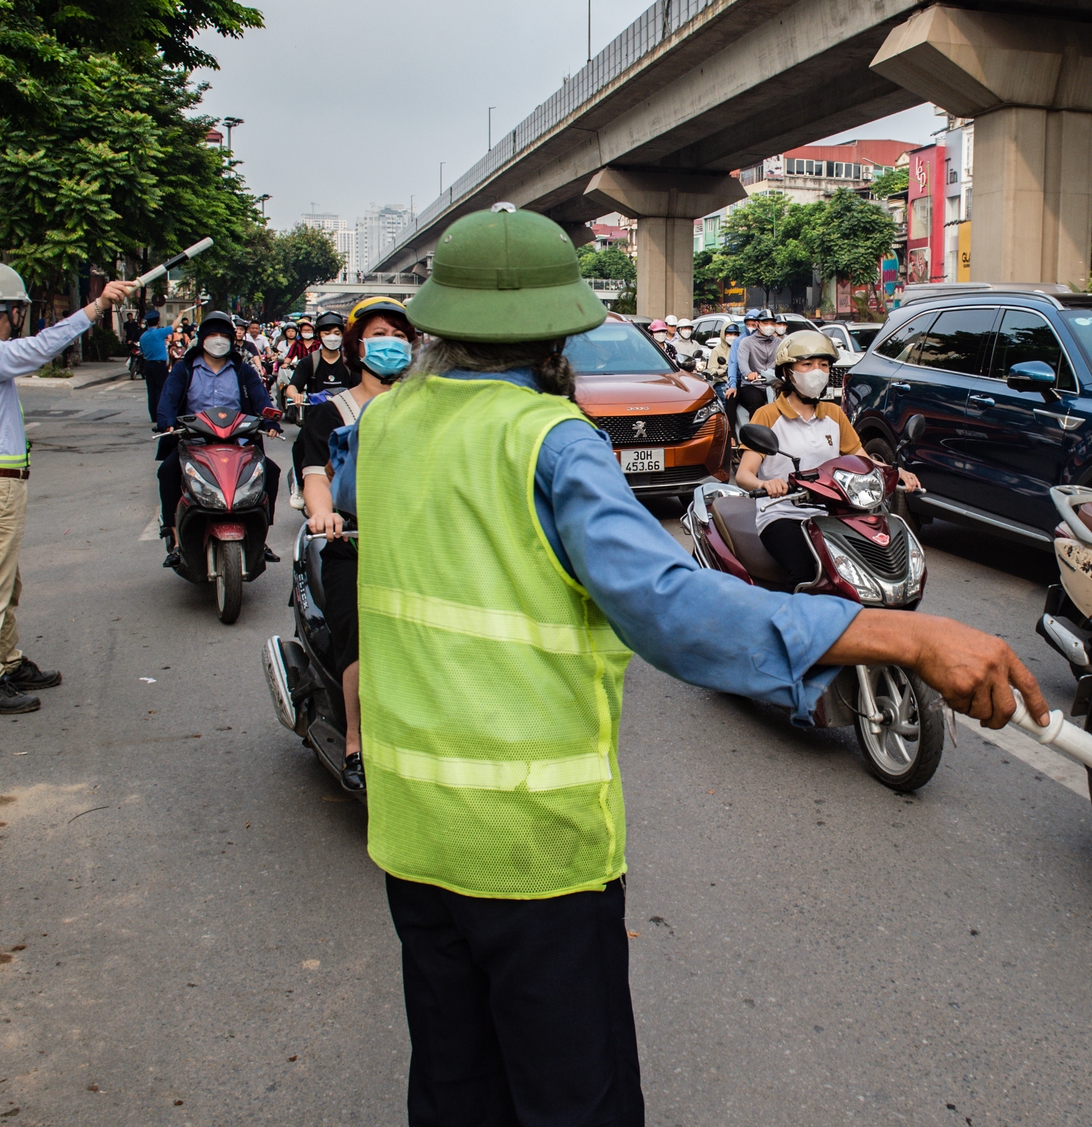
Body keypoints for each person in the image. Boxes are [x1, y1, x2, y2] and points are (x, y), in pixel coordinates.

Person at [350, 206, 1045, 1127]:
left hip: (414, 831)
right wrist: (903, 636)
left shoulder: (384, 426)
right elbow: (672, 608)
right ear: (561, 330)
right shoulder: (550, 440)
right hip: (532, 847)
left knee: (454, 1084)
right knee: (573, 1100)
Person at [0, 263, 136, 714]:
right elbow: (40, 348)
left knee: (4, 585)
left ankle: (8, 662)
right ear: (10, 311)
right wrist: (95, 307)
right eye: (20, 311)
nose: (23, 320)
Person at [296, 296, 415, 794]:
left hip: (419, 542)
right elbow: (314, 478)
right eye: (379, 335)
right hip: (356, 540)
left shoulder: (429, 409)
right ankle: (355, 743)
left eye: (399, 336)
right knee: (362, 634)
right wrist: (322, 511)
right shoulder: (332, 413)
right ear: (356, 345)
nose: (390, 344)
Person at [732, 330, 922, 585]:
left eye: (823, 365)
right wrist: (765, 485)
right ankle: (789, 622)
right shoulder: (767, 415)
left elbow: (862, 459)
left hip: (833, 512)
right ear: (788, 371)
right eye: (807, 364)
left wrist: (897, 473)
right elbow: (744, 476)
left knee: (864, 570)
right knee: (807, 571)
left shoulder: (833, 413)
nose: (817, 371)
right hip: (783, 514)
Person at [154, 310, 281, 565]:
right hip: (194, 441)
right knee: (168, 473)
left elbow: (261, 399)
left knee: (271, 472)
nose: (218, 340)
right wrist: (166, 422)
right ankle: (177, 541)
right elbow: (168, 399)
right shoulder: (185, 369)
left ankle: (260, 536)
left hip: (237, 441)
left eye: (224, 335)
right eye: (212, 334)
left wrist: (269, 421)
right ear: (202, 338)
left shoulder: (243, 370)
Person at [287, 310, 360, 409]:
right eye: (327, 333)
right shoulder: (308, 362)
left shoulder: (350, 362)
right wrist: (295, 395)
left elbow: (362, 387)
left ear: (342, 335)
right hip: (316, 417)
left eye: (337, 333)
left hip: (345, 417)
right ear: (318, 335)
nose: (332, 337)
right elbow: (292, 387)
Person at [726, 308, 778, 418]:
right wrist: (748, 373)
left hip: (774, 384)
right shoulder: (745, 342)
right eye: (765, 322)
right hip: (752, 384)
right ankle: (753, 433)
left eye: (772, 323)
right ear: (757, 323)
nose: (769, 326)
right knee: (756, 401)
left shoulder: (779, 343)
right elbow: (740, 363)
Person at [136, 310, 173, 424]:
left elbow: (141, 351)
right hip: (159, 365)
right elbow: (174, 326)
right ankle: (160, 414)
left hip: (149, 365)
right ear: (158, 321)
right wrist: (181, 314)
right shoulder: (159, 333)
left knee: (151, 392)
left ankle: (153, 416)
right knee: (161, 390)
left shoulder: (143, 336)